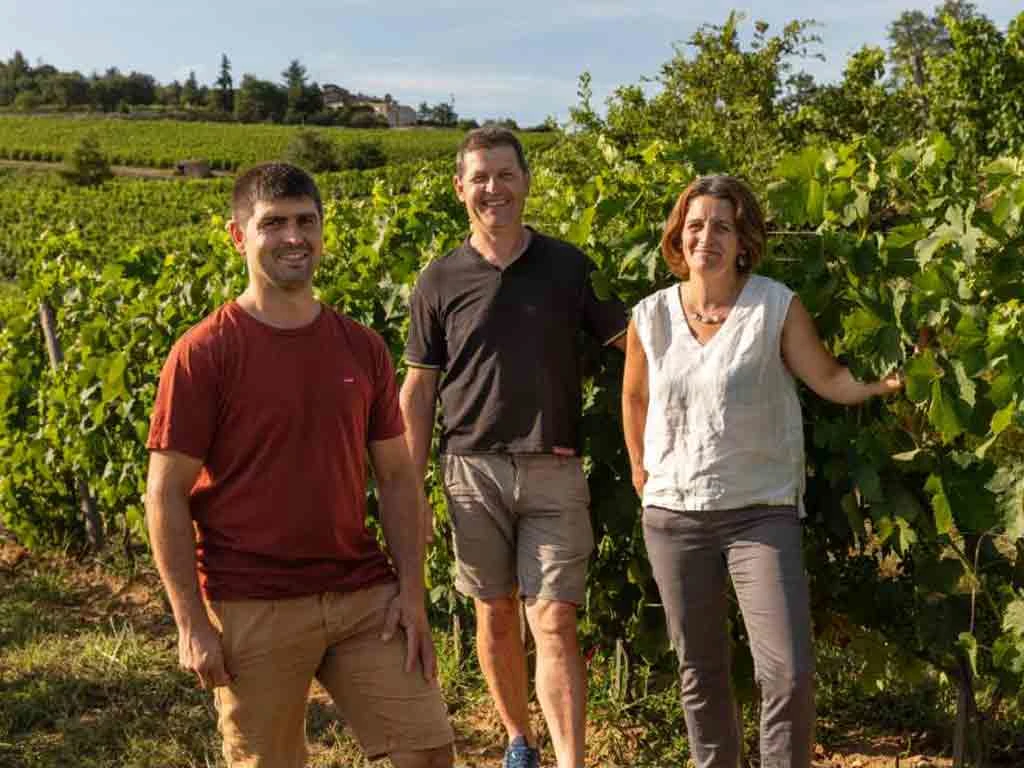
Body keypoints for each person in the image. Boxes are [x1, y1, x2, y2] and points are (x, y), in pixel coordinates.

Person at [144, 162, 454, 768]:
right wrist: (191, 623)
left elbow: (395, 476)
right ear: (239, 236)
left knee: (428, 751)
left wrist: (411, 595)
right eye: (274, 223)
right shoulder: (205, 353)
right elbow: (165, 495)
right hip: (253, 603)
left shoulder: (360, 346)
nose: (294, 237)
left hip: (362, 595)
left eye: (306, 222)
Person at [621, 174, 902, 768]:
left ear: (744, 239)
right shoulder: (651, 317)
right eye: (695, 225)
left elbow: (828, 379)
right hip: (675, 517)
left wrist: (886, 381)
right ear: (679, 236)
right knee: (700, 671)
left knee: (789, 673)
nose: (707, 238)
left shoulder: (775, 306)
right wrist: (642, 476)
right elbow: (635, 399)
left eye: (722, 226)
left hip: (760, 512)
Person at [400, 126, 628, 768]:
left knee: (553, 619)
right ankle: (518, 740)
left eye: (505, 175)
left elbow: (633, 343)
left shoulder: (568, 266)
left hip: (553, 467)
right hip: (469, 471)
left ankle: (569, 761)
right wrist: (408, 487)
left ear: (525, 182)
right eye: (480, 177)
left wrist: (714, 323)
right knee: (495, 614)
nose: (493, 188)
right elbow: (418, 392)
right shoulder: (438, 279)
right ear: (460, 189)